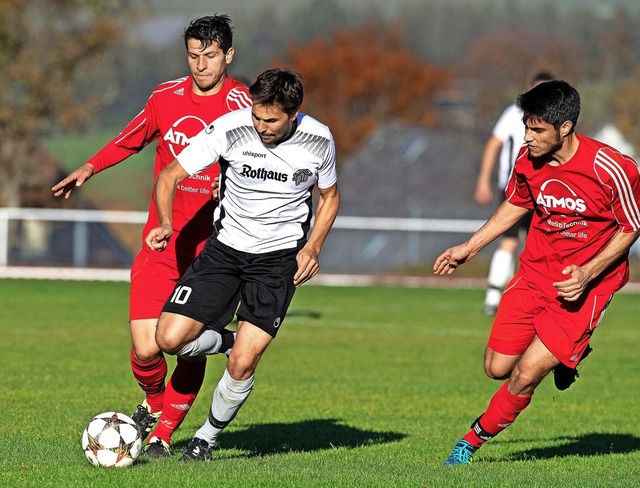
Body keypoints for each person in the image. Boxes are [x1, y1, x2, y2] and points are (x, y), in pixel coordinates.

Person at [51, 15, 251, 458]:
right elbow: (129, 139)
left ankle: (162, 433)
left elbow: (263, 161)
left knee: (182, 347)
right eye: (194, 55)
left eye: (210, 56)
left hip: (214, 252)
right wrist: (89, 166)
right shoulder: (166, 96)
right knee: (146, 348)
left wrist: (232, 183)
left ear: (229, 56)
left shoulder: (244, 104)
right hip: (161, 242)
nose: (200, 65)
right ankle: (156, 406)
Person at [434, 79, 640, 466]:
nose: (526, 137)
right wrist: (469, 247)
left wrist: (587, 273)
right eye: (526, 126)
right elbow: (514, 205)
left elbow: (631, 226)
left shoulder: (612, 168)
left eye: (536, 130)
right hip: (534, 276)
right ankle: (566, 356)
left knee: (525, 374)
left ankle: (472, 440)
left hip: (586, 287)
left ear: (565, 128)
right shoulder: (528, 162)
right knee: (497, 368)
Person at [145, 68, 340, 461]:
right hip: (225, 252)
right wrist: (166, 222)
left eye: (271, 120)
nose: (261, 126)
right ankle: (231, 340)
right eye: (256, 115)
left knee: (243, 365)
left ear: (293, 114)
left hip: (278, 261)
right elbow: (170, 175)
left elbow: (330, 198)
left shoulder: (319, 140)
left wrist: (313, 248)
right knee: (168, 340)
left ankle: (205, 439)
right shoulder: (231, 128)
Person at [474, 71, 554, 317]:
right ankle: (492, 296)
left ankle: (532, 296)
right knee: (508, 240)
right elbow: (493, 143)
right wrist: (483, 180)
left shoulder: (555, 118)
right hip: (514, 188)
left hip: (543, 190)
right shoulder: (514, 114)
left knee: (538, 244)